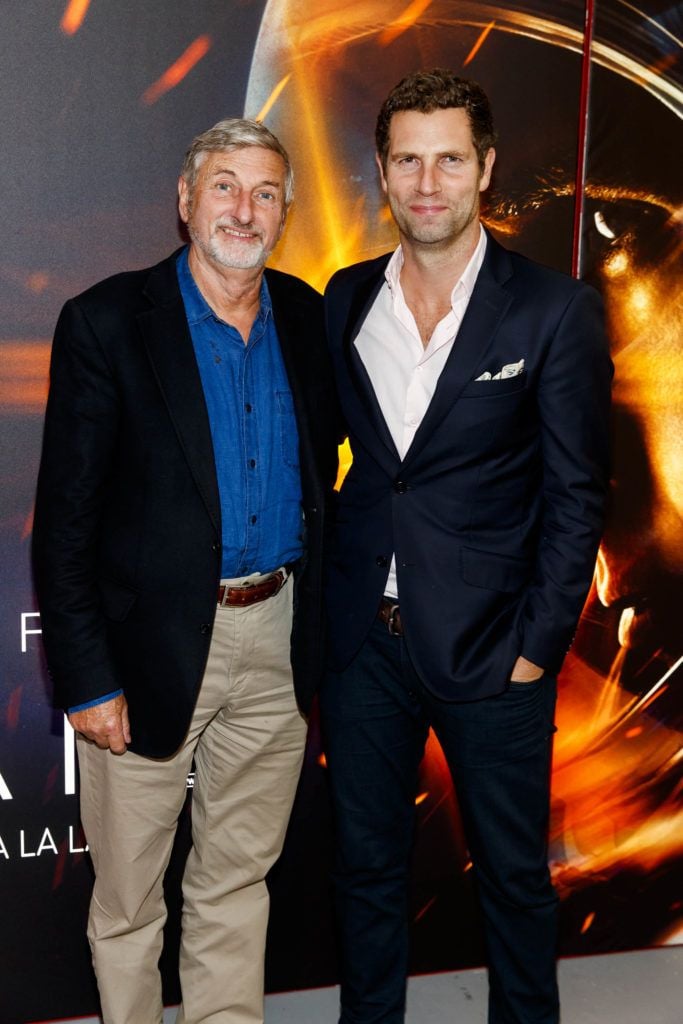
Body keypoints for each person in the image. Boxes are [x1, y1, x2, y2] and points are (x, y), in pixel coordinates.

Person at [321, 69, 612, 1024]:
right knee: (366, 877)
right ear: (382, 171)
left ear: (484, 168)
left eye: (449, 158)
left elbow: (577, 497)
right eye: (407, 159)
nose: (427, 182)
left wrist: (535, 648)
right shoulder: (346, 296)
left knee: (515, 883)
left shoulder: (549, 308)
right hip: (365, 642)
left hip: (494, 648)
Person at [32, 118, 339, 1024]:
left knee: (236, 879)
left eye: (266, 192)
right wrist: (87, 678)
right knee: (129, 902)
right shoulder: (106, 322)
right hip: (145, 650)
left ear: (285, 209)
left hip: (277, 638)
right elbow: (66, 523)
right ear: (185, 200)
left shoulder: (310, 317)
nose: (244, 210)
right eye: (224, 186)